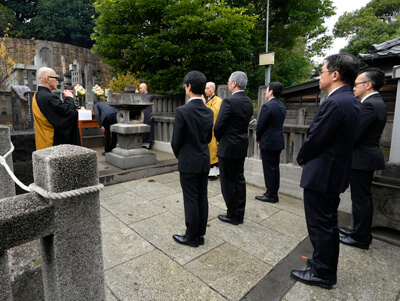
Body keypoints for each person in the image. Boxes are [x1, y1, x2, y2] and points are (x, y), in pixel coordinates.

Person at [290, 53, 361, 290]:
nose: (319, 77)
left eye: (321, 72)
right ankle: (323, 263)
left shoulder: (334, 102)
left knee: (321, 225)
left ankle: (323, 273)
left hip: (323, 174)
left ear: (335, 74)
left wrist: (302, 157)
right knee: (327, 223)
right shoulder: (351, 100)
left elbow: (316, 138)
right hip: (334, 172)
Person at [339, 67, 387, 250]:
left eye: (356, 84)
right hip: (365, 157)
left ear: (368, 85)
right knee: (361, 198)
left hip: (362, 158)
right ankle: (359, 231)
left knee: (361, 200)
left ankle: (361, 237)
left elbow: (355, 134)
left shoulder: (369, 104)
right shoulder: (376, 102)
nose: (353, 87)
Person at [171, 71, 214, 247]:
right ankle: (200, 234)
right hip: (204, 159)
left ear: (189, 87)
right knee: (202, 198)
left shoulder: (182, 111)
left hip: (189, 161)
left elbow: (176, 141)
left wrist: (180, 155)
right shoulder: (209, 111)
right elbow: (209, 138)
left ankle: (191, 236)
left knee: (191, 199)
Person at [214, 71, 254, 225]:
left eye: (229, 81)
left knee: (227, 182)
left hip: (228, 147)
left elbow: (218, 126)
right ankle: (240, 213)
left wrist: (218, 139)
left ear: (234, 83)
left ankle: (232, 214)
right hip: (241, 145)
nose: (229, 83)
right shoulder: (248, 102)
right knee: (239, 179)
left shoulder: (229, 102)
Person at [32, 67, 80, 150]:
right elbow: (68, 113)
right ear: (47, 79)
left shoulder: (37, 95)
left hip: (42, 140)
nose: (57, 81)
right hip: (51, 143)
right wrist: (69, 98)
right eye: (55, 78)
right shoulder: (48, 97)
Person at [255, 82, 286, 203]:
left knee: (268, 169)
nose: (266, 92)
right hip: (278, 140)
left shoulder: (267, 106)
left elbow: (261, 125)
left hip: (268, 141)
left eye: (267, 90)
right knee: (274, 168)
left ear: (271, 92)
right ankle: (273, 192)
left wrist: (258, 137)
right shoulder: (281, 106)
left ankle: (270, 194)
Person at [202, 82, 222, 181]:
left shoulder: (218, 100)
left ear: (213, 89)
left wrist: (204, 105)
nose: (206, 90)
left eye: (208, 88)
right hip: (207, 129)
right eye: (205, 89)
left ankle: (214, 172)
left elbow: (214, 112)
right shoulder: (207, 100)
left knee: (213, 151)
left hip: (214, 129)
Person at [139, 83, 154, 149]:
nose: (140, 90)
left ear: (145, 88)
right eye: (139, 88)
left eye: (141, 88)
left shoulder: (148, 96)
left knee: (147, 129)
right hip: (142, 115)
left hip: (147, 115)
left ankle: (147, 144)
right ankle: (143, 143)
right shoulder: (143, 96)